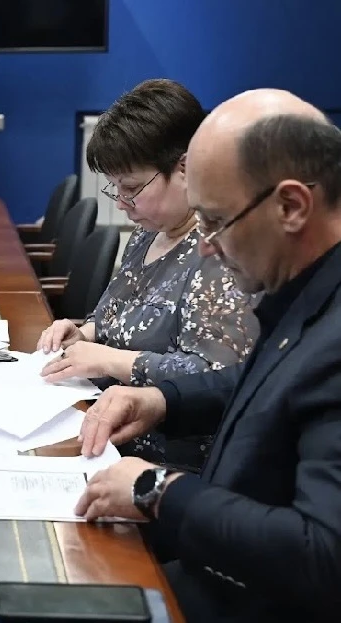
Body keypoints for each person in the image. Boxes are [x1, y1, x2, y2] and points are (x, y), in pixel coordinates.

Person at [74, 90, 341, 622]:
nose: (205, 245)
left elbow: (323, 557)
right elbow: (261, 383)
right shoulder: (305, 288)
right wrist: (163, 400)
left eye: (216, 221)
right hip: (219, 560)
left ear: (291, 207)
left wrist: (157, 490)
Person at [37, 79, 259, 473]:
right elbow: (114, 313)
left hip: (159, 462)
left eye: (132, 188)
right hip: (99, 421)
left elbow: (216, 377)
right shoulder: (148, 232)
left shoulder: (219, 252)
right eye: (115, 189)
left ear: (185, 167)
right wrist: (84, 333)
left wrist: (109, 360)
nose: (123, 204)